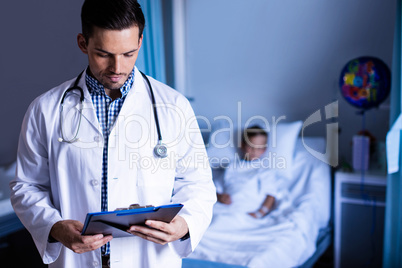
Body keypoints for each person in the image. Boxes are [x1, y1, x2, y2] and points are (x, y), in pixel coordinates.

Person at [9, 0, 216, 267]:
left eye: (128, 53)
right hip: (78, 260)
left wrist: (185, 224)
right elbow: (27, 186)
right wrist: (55, 227)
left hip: (148, 257)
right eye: (104, 54)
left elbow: (198, 183)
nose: (117, 67)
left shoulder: (173, 105)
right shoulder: (45, 109)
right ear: (83, 43)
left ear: (140, 42)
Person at [216, 126, 276, 218]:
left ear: (264, 150)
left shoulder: (264, 170)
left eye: (259, 148)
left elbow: (270, 195)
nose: (254, 151)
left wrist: (260, 213)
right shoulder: (231, 167)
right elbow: (216, 188)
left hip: (249, 212)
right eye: (250, 147)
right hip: (226, 210)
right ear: (242, 145)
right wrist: (220, 197)